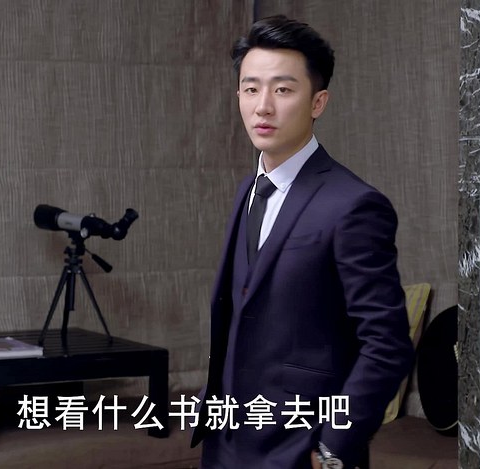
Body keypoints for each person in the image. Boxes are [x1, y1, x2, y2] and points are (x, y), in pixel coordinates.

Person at [190, 15, 414, 469]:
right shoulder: (249, 189)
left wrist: (334, 448)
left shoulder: (353, 205)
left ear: (318, 102)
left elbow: (387, 342)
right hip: (228, 440)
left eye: (283, 89)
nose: (263, 107)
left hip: (301, 448)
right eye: (250, 89)